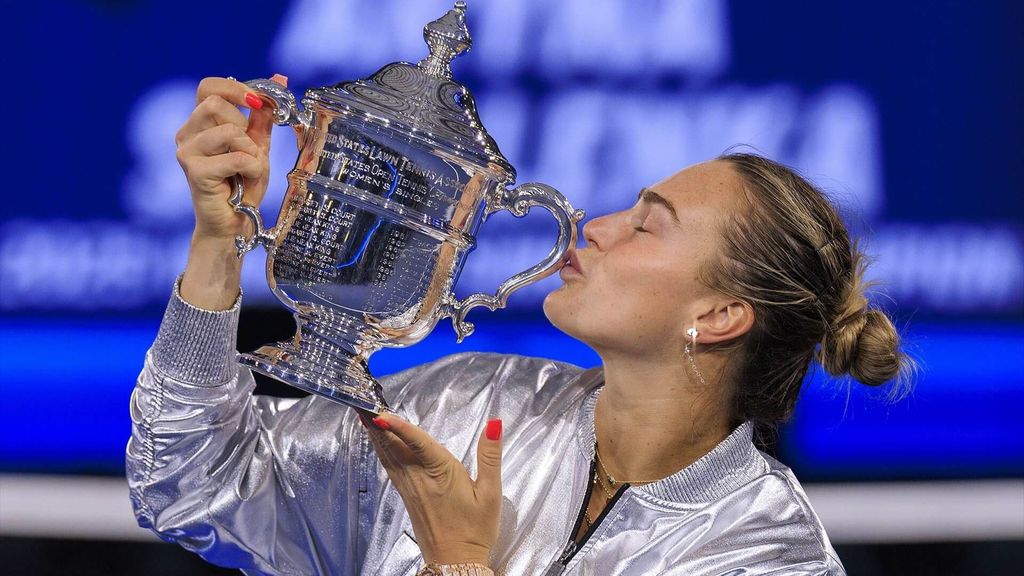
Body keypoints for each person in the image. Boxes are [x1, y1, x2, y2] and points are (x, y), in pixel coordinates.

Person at [127, 77, 912, 576]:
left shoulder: (766, 554)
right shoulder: (471, 404)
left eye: (647, 226)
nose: (596, 226)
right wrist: (218, 243)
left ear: (718, 316)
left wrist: (460, 563)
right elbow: (193, 483)